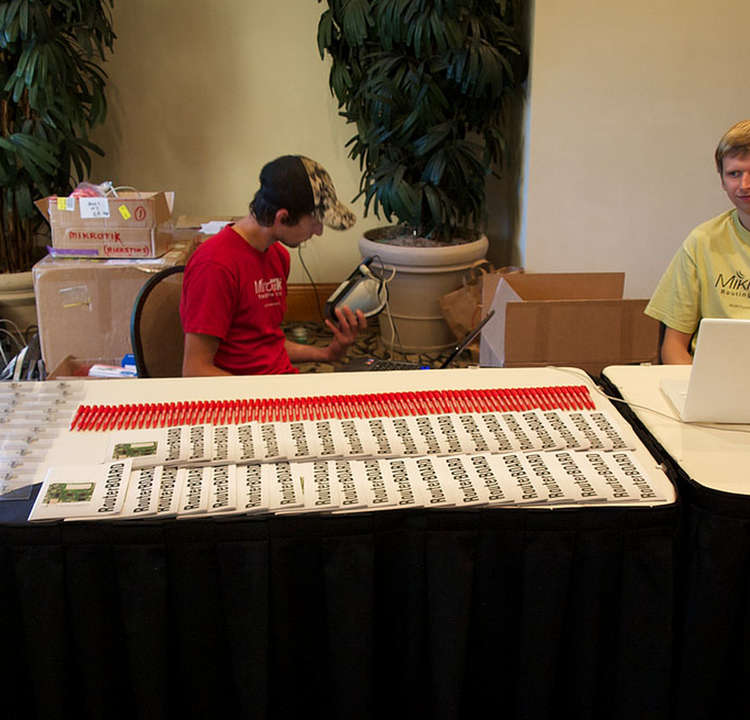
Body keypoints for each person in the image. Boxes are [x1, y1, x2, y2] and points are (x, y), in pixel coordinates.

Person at [180, 155, 367, 376]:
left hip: (280, 384)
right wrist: (265, 396)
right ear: (282, 218)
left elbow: (265, 343)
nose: (319, 231)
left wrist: (327, 353)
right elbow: (195, 370)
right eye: (315, 222)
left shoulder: (277, 256)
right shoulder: (214, 266)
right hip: (249, 394)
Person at [645, 120, 750, 364]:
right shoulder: (702, 242)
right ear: (722, 181)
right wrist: (699, 385)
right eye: (734, 174)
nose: (745, 185)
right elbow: (673, 347)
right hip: (710, 376)